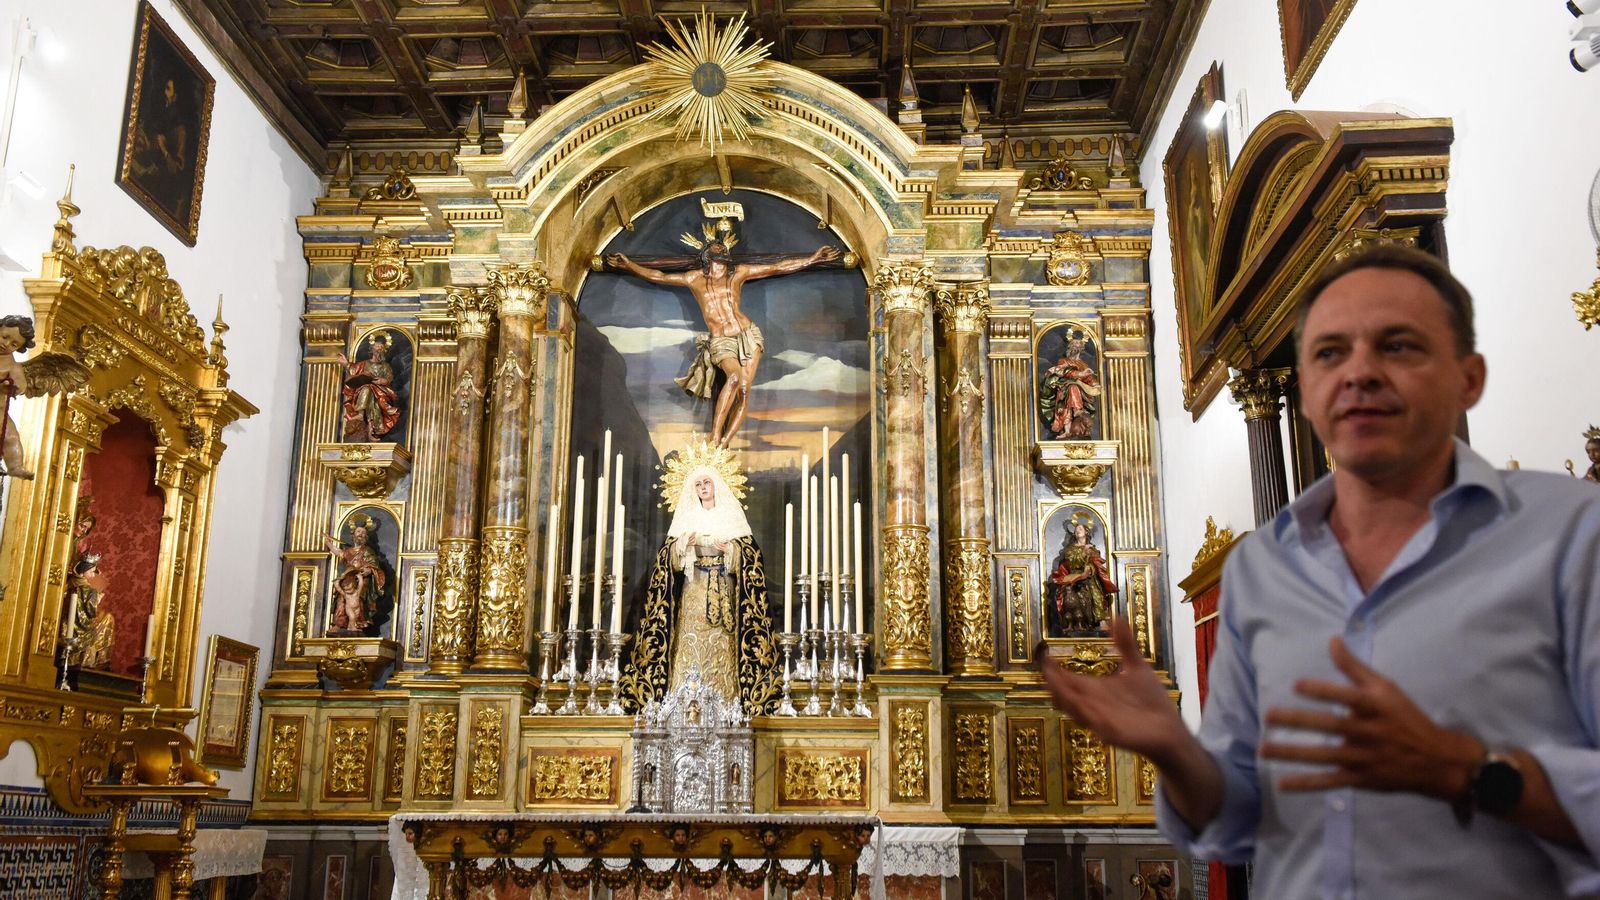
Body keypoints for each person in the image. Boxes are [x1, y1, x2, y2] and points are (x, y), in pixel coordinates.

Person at [1040, 245, 1600, 897]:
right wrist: (1176, 753)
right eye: (1331, 353)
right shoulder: (1260, 569)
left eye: (1399, 346)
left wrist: (1472, 772)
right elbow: (1238, 821)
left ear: (1469, 377)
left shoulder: (1572, 535)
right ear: (1305, 390)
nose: (1359, 374)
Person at [604, 221, 840, 447]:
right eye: (717, 254)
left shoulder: (738, 274)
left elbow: (776, 267)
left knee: (745, 392)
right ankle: (715, 436)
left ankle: (723, 446)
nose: (722, 256)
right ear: (707, 257)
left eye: (724, 253)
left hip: (748, 334)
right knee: (734, 379)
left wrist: (812, 259)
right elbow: (660, 276)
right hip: (722, 340)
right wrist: (629, 266)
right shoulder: (694, 278)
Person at [620, 455, 778, 714]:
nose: (703, 487)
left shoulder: (731, 518)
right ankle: (683, 709)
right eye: (698, 484)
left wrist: (731, 550)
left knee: (721, 645)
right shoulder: (686, 518)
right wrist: (682, 545)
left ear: (717, 485)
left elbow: (752, 557)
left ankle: (725, 708)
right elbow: (666, 559)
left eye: (707, 482)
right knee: (688, 643)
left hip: (723, 591)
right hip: (693, 590)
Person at [1045, 515, 1118, 636]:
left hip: (1089, 576)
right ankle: (1071, 623)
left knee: (1096, 592)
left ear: (1086, 532)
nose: (1077, 531)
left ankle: (1101, 619)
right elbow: (1071, 561)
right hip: (1074, 575)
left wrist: (1091, 567)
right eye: (1076, 530)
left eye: (1080, 529)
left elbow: (1096, 562)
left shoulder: (1092, 548)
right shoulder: (1070, 549)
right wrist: (1084, 552)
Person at [325, 515, 389, 635]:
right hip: (349, 578)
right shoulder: (348, 551)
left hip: (362, 579)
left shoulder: (367, 551)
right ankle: (339, 624)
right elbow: (338, 552)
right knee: (341, 597)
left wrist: (369, 571)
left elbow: (374, 564)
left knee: (359, 592)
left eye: (363, 533)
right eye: (358, 531)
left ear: (366, 537)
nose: (361, 534)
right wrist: (328, 542)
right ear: (353, 534)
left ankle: (357, 622)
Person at [339, 332, 402, 442]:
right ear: (372, 349)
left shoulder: (386, 366)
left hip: (381, 391)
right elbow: (354, 370)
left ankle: (367, 423)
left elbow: (389, 378)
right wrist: (346, 364)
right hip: (365, 392)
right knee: (368, 391)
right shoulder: (364, 364)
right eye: (377, 346)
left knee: (372, 394)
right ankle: (368, 426)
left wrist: (382, 381)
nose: (379, 349)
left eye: (382, 347)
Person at [1038, 331, 1102, 440]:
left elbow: (1089, 378)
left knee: (1075, 387)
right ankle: (1068, 428)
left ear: (1081, 348)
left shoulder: (1083, 364)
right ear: (1069, 346)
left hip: (1080, 392)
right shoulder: (1063, 360)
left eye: (1078, 344)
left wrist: (1095, 385)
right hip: (1064, 389)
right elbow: (1064, 371)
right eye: (1073, 344)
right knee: (1072, 388)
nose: (1075, 346)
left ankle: (1076, 416)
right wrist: (1079, 374)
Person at [66, 553, 115, 670]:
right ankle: (100, 659)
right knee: (108, 618)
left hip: (75, 617)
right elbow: (90, 610)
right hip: (82, 620)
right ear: (82, 572)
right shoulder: (89, 588)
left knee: (106, 617)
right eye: (91, 572)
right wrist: (98, 598)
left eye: (94, 572)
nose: (94, 575)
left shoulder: (73, 582)